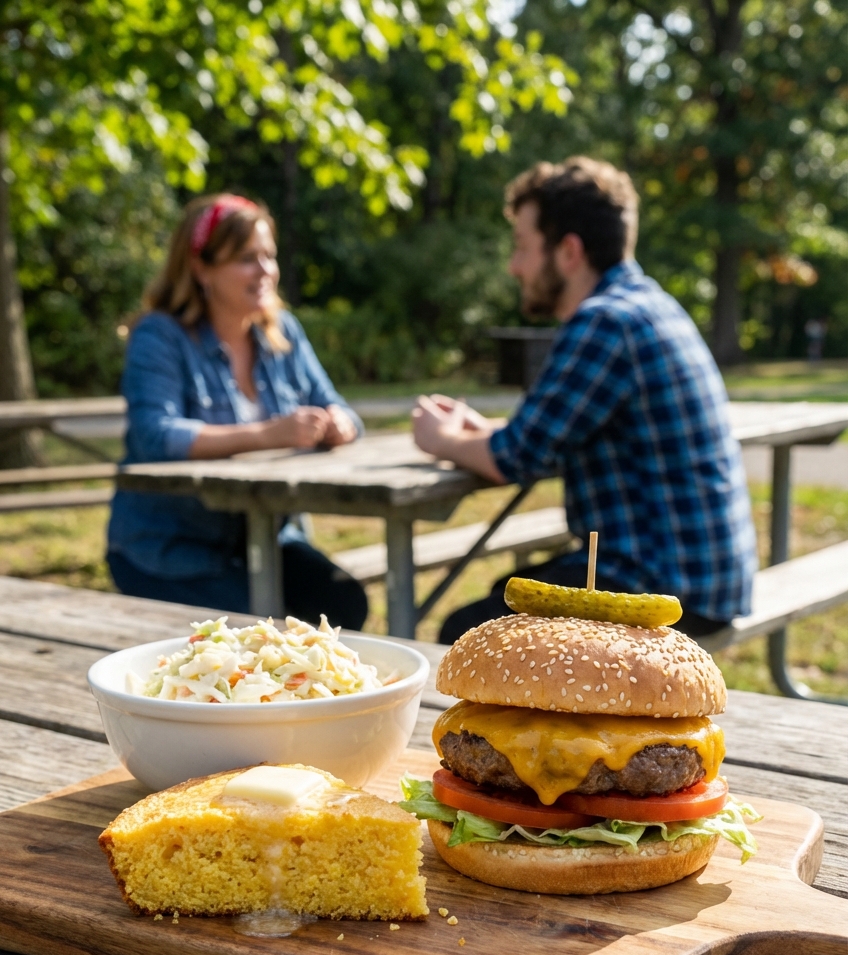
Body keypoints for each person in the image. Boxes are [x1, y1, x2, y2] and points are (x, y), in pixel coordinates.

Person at [411, 157, 758, 644]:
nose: (514, 266)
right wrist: (479, 428)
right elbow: (550, 431)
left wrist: (441, 439)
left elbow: (516, 456)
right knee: (501, 597)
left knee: (468, 630)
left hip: (663, 589)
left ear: (569, 252)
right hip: (708, 581)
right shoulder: (648, 304)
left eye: (523, 248)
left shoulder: (603, 322)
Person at [108, 193, 368, 628]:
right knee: (262, 628)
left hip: (267, 539)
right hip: (169, 548)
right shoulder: (160, 335)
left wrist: (339, 426)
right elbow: (156, 434)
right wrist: (267, 434)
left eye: (270, 255)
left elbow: (339, 408)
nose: (265, 270)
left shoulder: (282, 331)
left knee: (343, 603)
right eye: (248, 258)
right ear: (200, 267)